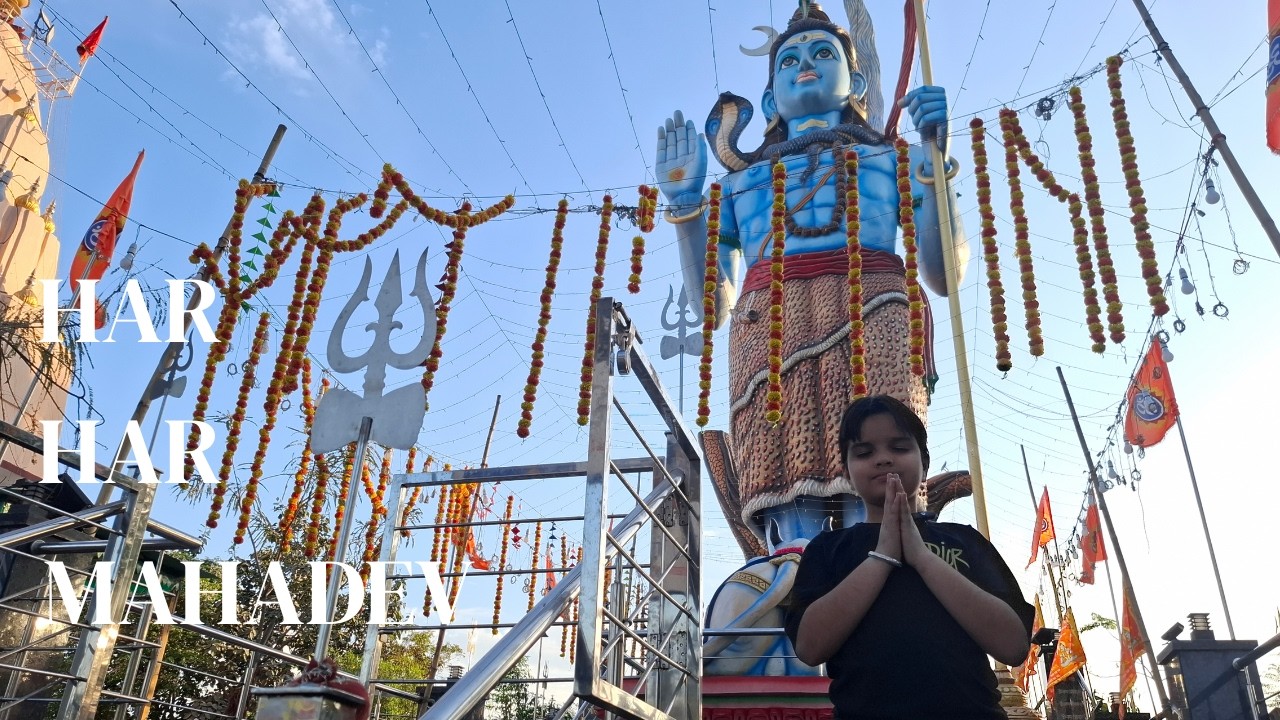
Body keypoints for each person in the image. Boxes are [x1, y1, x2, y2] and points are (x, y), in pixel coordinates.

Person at [656, 2, 967, 549]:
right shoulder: (741, 183)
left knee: (882, 456)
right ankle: (791, 573)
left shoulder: (894, 159)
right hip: (771, 322)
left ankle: (890, 559)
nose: (807, 64)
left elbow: (944, 274)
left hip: (872, 307)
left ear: (857, 81)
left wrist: (936, 165)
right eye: (791, 58)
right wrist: (685, 210)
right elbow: (713, 307)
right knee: (783, 468)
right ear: (771, 97)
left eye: (823, 53)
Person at [784, 395, 1034, 718]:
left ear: (924, 461)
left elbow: (1013, 645)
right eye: (864, 452)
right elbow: (809, 646)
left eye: (899, 447)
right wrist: (882, 557)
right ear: (846, 472)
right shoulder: (827, 549)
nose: (883, 459)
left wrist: (923, 557)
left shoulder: (965, 540)